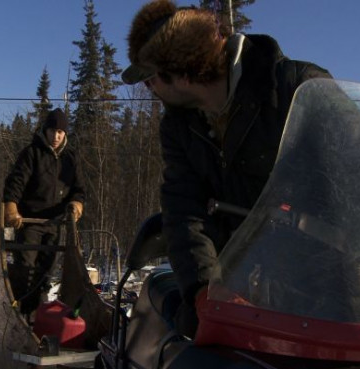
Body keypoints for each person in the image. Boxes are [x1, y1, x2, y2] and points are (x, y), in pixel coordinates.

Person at [121, 0, 332, 337]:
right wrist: (205, 289)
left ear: (181, 72)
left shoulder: (298, 89)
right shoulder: (180, 126)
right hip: (239, 288)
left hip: (323, 288)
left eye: (150, 80)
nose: (150, 90)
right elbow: (185, 211)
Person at [3, 108, 85, 316]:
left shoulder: (71, 158)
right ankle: (21, 315)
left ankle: (38, 316)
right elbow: (16, 182)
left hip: (56, 225)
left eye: (60, 132)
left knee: (46, 273)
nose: (56, 136)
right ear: (45, 131)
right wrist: (11, 206)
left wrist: (76, 204)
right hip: (29, 222)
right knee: (26, 270)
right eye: (52, 131)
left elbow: (78, 188)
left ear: (64, 134)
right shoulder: (32, 153)